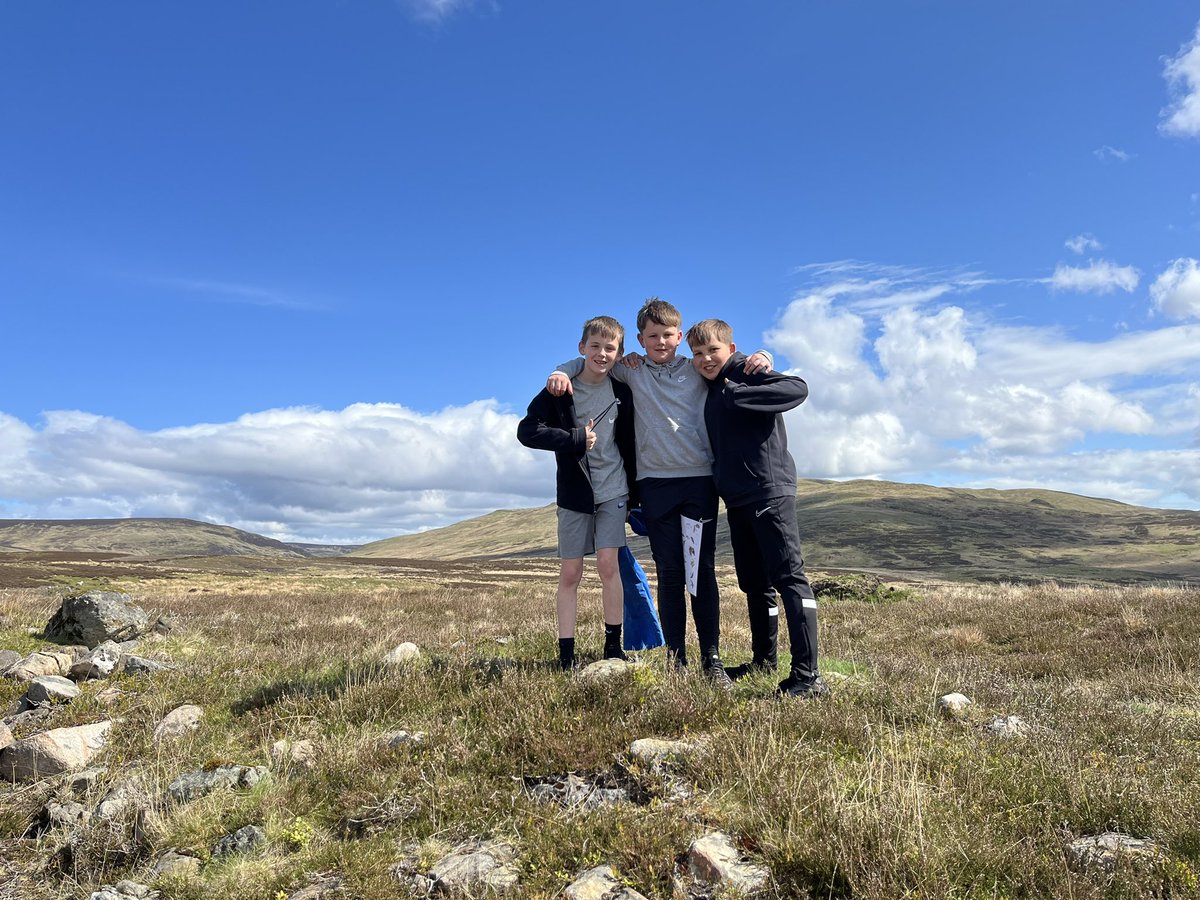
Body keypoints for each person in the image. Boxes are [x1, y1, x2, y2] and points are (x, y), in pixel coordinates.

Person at [548, 298, 771, 686]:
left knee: (699, 572)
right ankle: (676, 658)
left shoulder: (696, 368)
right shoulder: (631, 370)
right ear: (641, 340)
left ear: (679, 336)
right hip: (654, 486)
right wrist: (559, 371)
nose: (661, 342)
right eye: (652, 336)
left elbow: (728, 360)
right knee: (669, 573)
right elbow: (592, 359)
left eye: (668, 335)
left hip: (698, 482)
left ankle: (712, 659)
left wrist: (763, 356)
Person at [686, 317, 827, 698]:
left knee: (789, 578)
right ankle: (764, 660)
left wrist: (741, 389)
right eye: (697, 353)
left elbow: (796, 388)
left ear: (730, 349)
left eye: (713, 350)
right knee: (755, 583)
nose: (705, 358)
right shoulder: (712, 383)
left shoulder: (744, 372)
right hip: (738, 498)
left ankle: (808, 676)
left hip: (769, 490)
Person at [518, 315, 639, 671]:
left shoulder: (622, 390)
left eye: (610, 348)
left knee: (608, 566)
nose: (602, 354)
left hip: (614, 489)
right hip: (574, 494)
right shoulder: (560, 389)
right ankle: (566, 655)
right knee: (571, 572)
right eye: (595, 346)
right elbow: (527, 431)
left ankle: (613, 647)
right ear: (582, 348)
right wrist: (573, 439)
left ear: (619, 353)